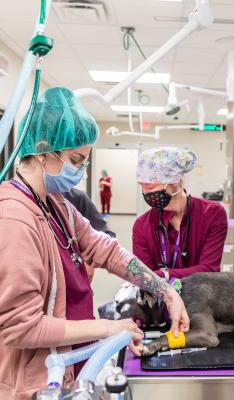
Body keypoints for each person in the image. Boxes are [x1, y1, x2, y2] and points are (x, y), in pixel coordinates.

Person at [0, 87, 189, 400]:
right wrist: (106, 328)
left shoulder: (56, 205)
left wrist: (165, 291)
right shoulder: (15, 220)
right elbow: (22, 327)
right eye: (76, 160)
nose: (80, 171)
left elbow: (106, 250)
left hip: (66, 368)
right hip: (32, 385)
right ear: (44, 151)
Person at [132, 147, 228, 281]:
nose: (145, 192)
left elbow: (209, 270)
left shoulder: (212, 214)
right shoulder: (142, 225)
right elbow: (145, 278)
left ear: (175, 180)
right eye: (141, 186)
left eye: (151, 187)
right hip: (160, 299)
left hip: (203, 297)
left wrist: (164, 274)